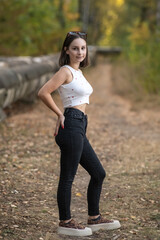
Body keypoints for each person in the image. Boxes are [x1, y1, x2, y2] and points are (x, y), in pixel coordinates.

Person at [38, 31, 121, 237]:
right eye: (75, 48)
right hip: (71, 124)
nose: (80, 52)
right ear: (66, 50)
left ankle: (94, 218)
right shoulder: (65, 71)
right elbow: (43, 92)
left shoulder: (79, 72)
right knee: (68, 177)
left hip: (80, 125)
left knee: (98, 173)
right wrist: (59, 113)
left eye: (82, 48)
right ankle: (65, 221)